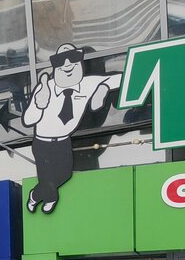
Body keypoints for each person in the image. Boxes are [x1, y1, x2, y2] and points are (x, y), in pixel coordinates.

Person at [22, 43, 122, 213]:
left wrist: (103, 88)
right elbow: (28, 119)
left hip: (64, 142)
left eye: (74, 59)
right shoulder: (46, 88)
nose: (67, 65)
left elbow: (118, 79)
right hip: (43, 143)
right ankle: (48, 199)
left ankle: (35, 195)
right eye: (60, 61)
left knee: (65, 175)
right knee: (49, 182)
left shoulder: (87, 84)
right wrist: (38, 105)